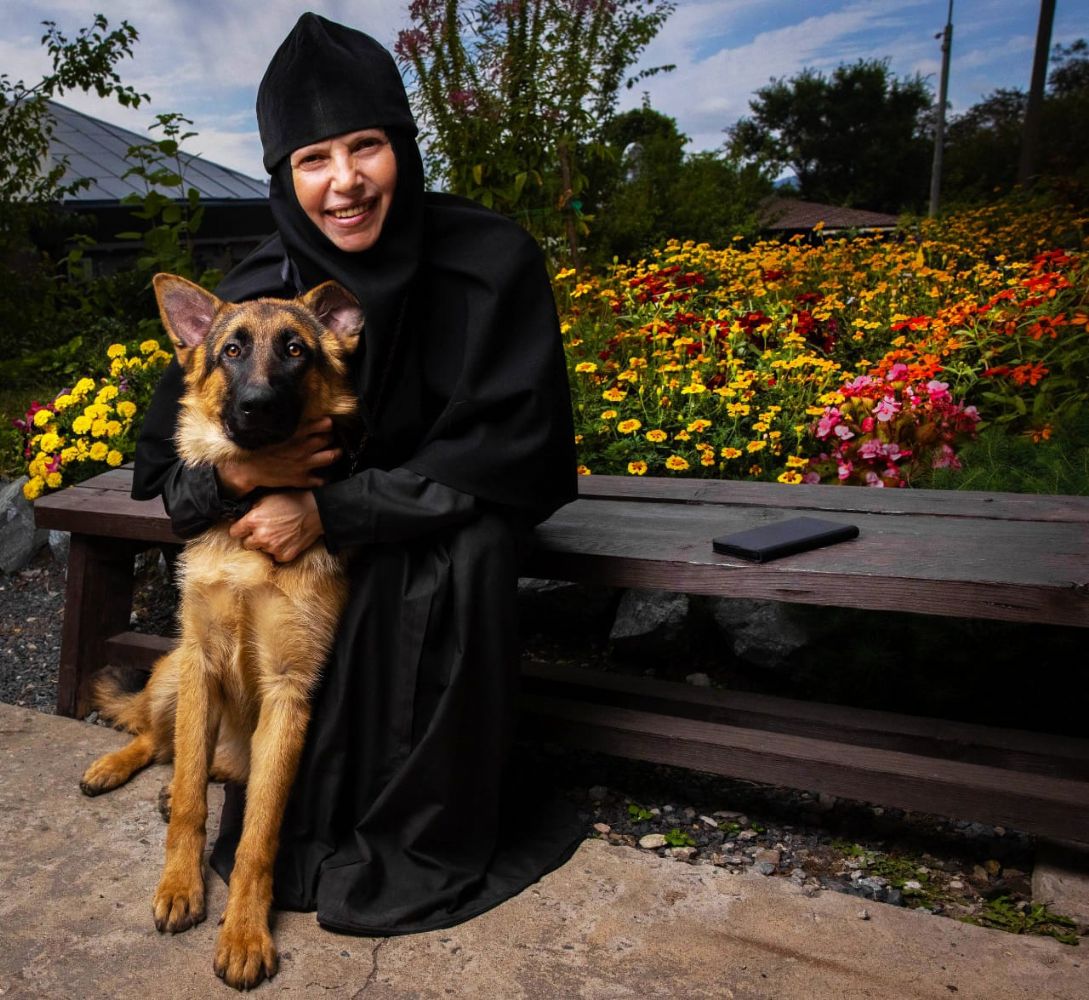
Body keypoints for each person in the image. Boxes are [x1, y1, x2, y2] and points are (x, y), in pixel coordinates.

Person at [132, 12, 583, 936]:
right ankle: (298, 833)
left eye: (364, 147)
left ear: (400, 149)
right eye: (313, 159)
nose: (343, 181)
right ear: (284, 177)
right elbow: (175, 484)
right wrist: (244, 481)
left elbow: (515, 454)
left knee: (461, 558)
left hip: (442, 517)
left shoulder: (491, 262)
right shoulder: (261, 291)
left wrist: (333, 510)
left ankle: (420, 826)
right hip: (300, 537)